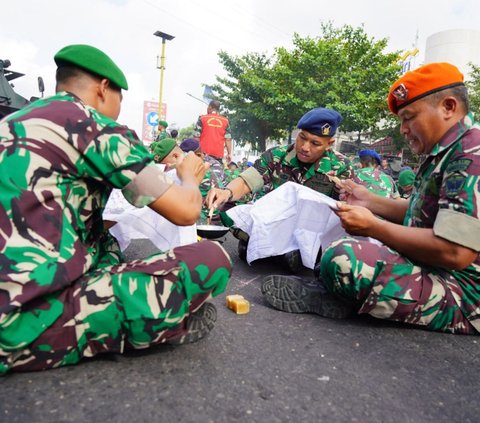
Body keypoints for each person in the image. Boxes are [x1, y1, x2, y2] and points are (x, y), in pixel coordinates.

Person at [0, 44, 232, 374]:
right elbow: (185, 212)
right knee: (211, 259)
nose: (118, 109)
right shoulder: (91, 125)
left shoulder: (13, 121)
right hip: (18, 326)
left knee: (107, 243)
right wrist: (188, 178)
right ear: (103, 88)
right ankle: (152, 323)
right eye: (120, 98)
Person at [262, 62, 480, 335]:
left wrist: (375, 226)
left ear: (448, 107)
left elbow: (455, 251)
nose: (403, 128)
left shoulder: (472, 152)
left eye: (409, 117)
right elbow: (421, 213)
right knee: (343, 247)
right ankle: (337, 292)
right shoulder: (449, 149)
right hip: (436, 269)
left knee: (346, 259)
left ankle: (339, 296)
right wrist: (370, 201)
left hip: (466, 292)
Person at [207, 107, 353, 270]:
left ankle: (276, 251)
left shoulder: (340, 166)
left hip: (310, 230)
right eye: (302, 138)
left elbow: (343, 209)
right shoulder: (277, 155)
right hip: (275, 222)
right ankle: (280, 253)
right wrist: (226, 192)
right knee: (229, 209)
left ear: (329, 144)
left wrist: (345, 194)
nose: (305, 147)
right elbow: (248, 180)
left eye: (315, 143)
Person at [195, 100, 232, 164]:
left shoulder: (202, 118)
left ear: (210, 107)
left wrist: (196, 153)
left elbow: (196, 137)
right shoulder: (225, 121)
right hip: (218, 156)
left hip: (203, 155)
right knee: (216, 173)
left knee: (202, 173)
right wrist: (229, 154)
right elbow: (228, 139)